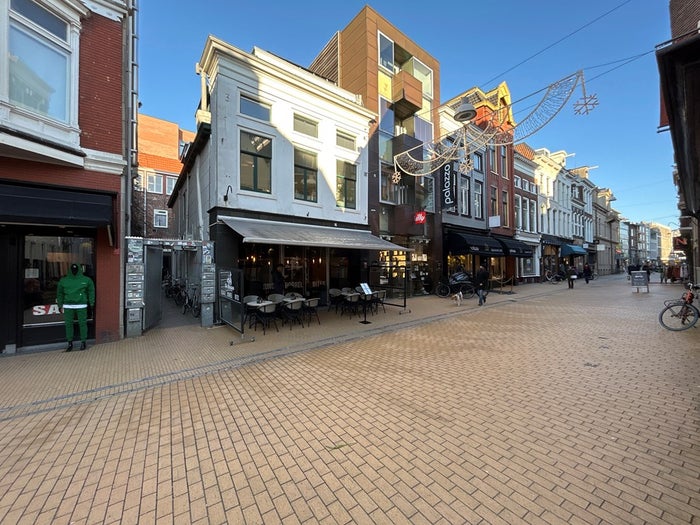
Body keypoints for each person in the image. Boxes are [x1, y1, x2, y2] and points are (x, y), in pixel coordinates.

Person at [57, 263, 95, 352]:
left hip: (81, 305)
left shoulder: (86, 280)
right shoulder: (63, 281)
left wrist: (91, 302)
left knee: (82, 323)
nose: (74, 271)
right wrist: (60, 304)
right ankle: (70, 342)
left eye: (76, 269)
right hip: (68, 305)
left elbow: (91, 291)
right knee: (68, 324)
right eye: (73, 269)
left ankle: (83, 341)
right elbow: (59, 294)